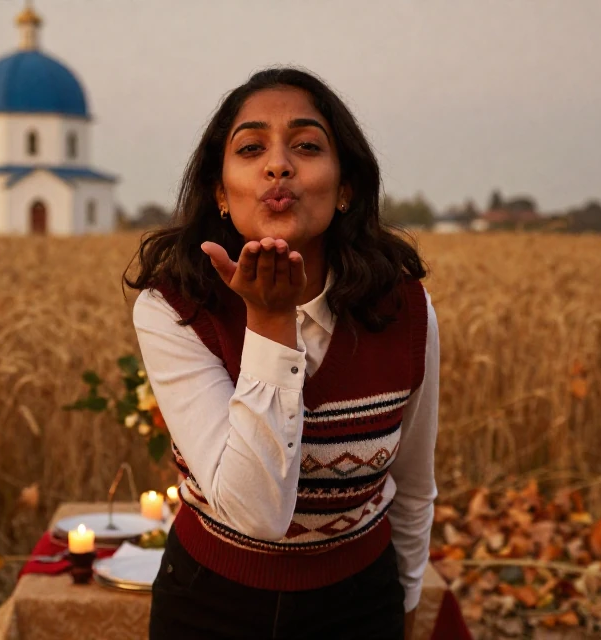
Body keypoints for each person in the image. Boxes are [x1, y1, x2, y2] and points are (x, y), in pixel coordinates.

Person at [124, 67, 439, 640]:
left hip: (360, 603)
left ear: (345, 188)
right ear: (220, 192)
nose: (278, 166)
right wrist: (270, 324)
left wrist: (408, 603)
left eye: (307, 146)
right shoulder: (173, 310)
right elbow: (257, 515)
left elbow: (414, 486)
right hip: (208, 603)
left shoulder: (405, 311)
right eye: (251, 148)